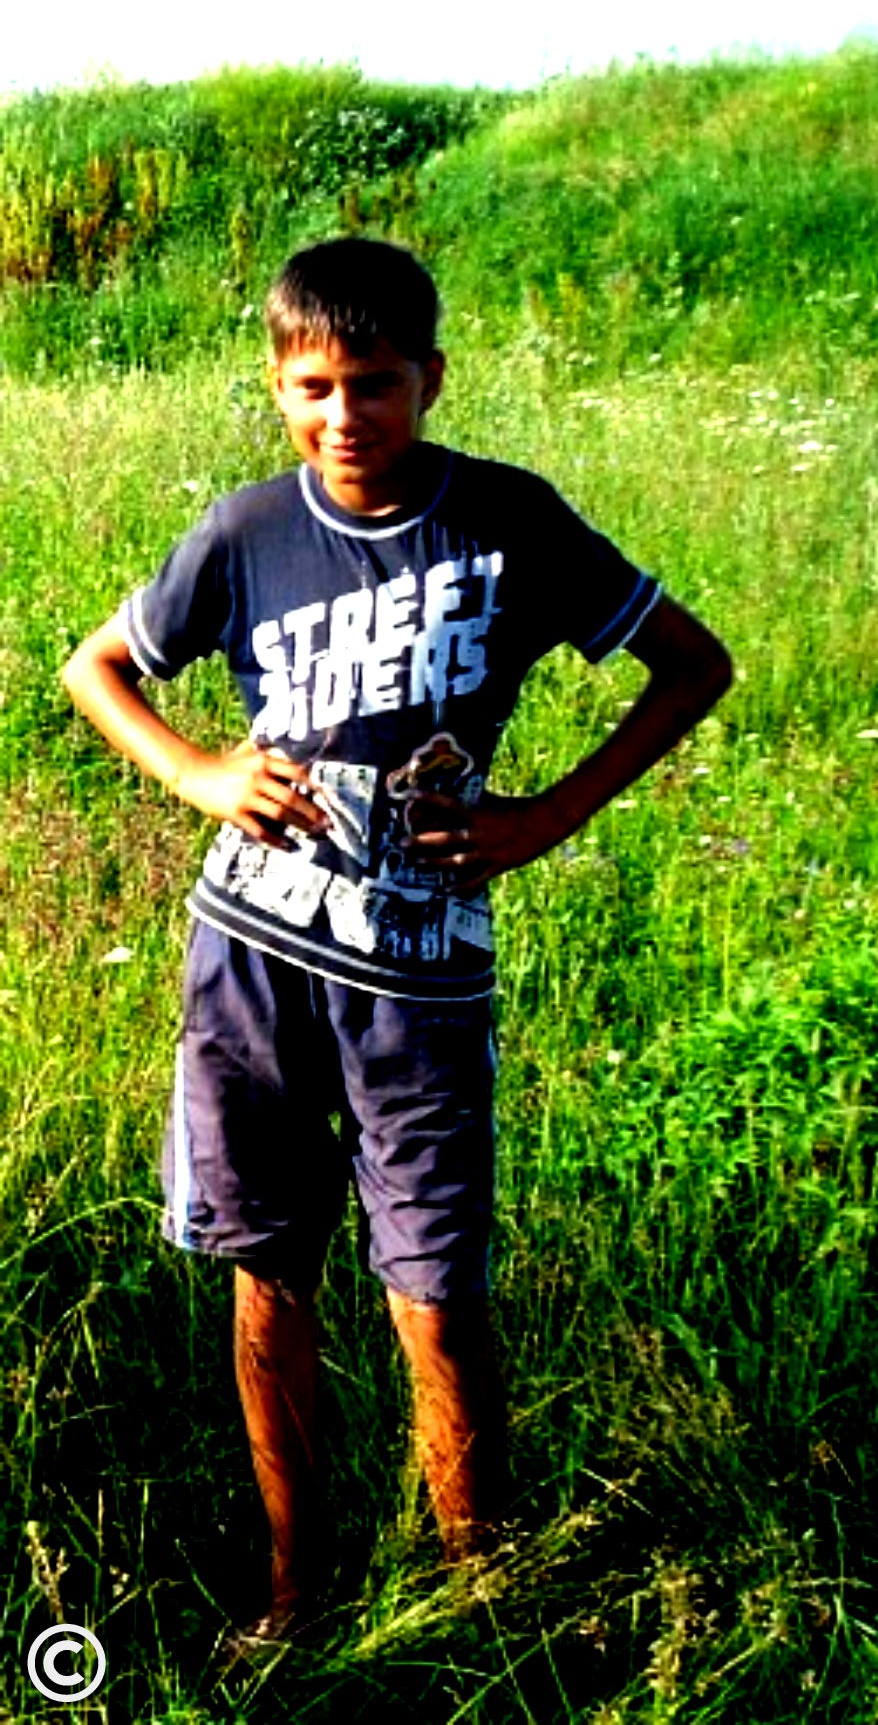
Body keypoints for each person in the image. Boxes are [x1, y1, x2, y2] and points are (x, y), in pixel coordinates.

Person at [61, 236, 731, 1644]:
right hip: (254, 955)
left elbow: (693, 663)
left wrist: (546, 815)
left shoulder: (507, 521)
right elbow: (98, 667)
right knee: (269, 1274)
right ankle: (297, 1593)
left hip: (419, 977)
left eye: (373, 382)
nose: (345, 414)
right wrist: (199, 772)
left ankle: (481, 1606)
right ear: (277, 386)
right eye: (314, 386)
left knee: (437, 1296)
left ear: (430, 376)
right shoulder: (246, 531)